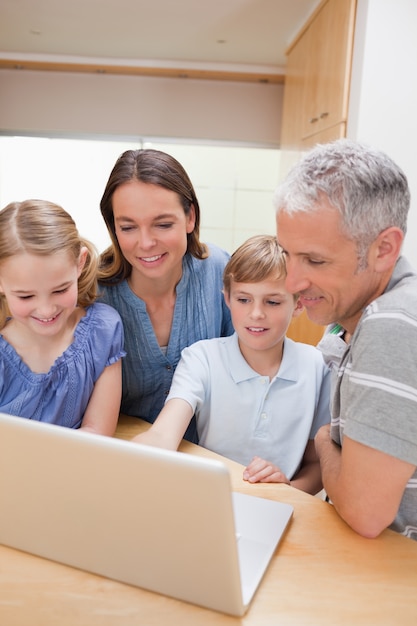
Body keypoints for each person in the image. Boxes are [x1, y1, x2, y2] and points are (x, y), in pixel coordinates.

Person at [274, 139, 417, 540]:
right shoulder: (350, 317)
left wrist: (323, 440)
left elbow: (365, 511)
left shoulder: (392, 323)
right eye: (288, 254)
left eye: (315, 260)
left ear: (383, 249)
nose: (292, 282)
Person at [133, 235, 331, 494]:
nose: (256, 313)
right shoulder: (201, 358)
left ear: (299, 303)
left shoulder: (317, 366)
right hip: (208, 499)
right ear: (227, 298)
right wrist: (130, 459)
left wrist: (288, 488)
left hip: (282, 508)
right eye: (243, 299)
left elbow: (317, 465)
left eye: (272, 302)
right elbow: (163, 433)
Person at [97, 148, 233, 441]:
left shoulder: (222, 272)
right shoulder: (93, 294)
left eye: (162, 224)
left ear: (190, 217)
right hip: (124, 456)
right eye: (128, 227)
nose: (146, 243)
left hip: (210, 457)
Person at [0, 199, 125, 435]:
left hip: (76, 468)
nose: (46, 310)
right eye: (26, 296)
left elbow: (97, 433)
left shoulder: (103, 331)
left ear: (80, 263)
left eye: (60, 290)